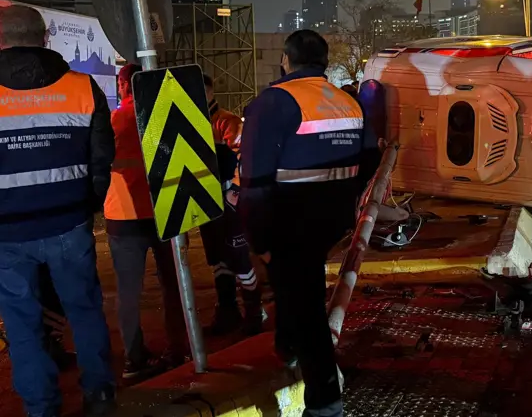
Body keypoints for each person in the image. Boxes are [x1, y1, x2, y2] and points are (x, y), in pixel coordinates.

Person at [239, 30, 380, 417]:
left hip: (288, 221)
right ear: (323, 62)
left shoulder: (273, 103)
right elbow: (369, 160)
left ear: (286, 60)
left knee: (306, 309)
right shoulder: (348, 102)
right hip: (331, 220)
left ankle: (325, 402)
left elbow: (253, 182)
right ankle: (287, 348)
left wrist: (257, 237)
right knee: (299, 288)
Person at [0, 2, 116, 417]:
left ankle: (41, 406)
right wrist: (88, 209)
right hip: (70, 224)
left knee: (22, 323)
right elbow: (102, 159)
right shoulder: (82, 88)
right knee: (84, 311)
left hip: (7, 237)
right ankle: (100, 393)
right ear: (45, 38)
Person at [104, 63, 189, 379]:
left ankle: (134, 359)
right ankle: (179, 347)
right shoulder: (164, 117)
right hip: (165, 210)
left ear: (124, 85)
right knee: (174, 284)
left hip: (122, 216)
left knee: (128, 292)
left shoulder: (112, 121)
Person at [198, 74, 263, 336]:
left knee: (239, 259)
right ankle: (228, 312)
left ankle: (254, 312)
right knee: (217, 259)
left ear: (210, 92)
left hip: (229, 201)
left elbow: (245, 158)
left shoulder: (227, 122)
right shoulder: (193, 123)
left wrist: (235, 192)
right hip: (207, 201)